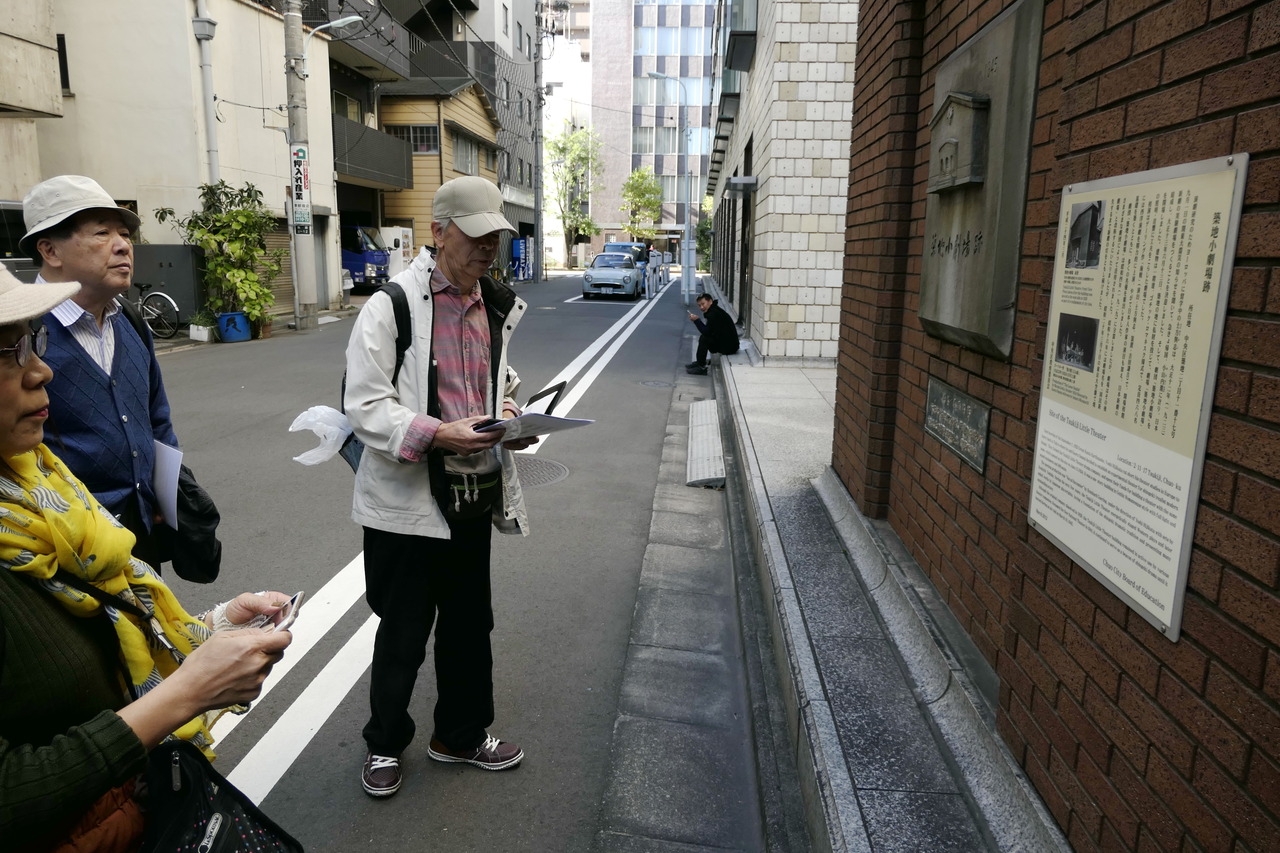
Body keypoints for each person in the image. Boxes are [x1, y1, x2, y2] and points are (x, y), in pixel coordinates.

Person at [0, 263, 293, 851]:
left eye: (35, 341)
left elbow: (99, 643)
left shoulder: (39, 482)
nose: (42, 371)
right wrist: (185, 694)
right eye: (10, 352)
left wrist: (206, 632)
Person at [344, 176, 540, 799]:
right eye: (476, 236)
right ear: (438, 232)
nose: (488, 250)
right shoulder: (392, 306)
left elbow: (498, 380)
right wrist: (436, 434)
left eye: (496, 238)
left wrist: (510, 415)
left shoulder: (493, 303)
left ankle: (459, 734)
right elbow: (364, 404)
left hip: (471, 493)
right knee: (403, 629)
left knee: (468, 623)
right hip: (409, 499)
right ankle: (383, 745)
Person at [19, 175, 178, 569]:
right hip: (62, 547)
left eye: (124, 234)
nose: (123, 245)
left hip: (138, 532)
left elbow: (156, 416)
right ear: (50, 250)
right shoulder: (19, 332)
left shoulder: (132, 321)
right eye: (102, 233)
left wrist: (162, 495)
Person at [685, 292, 740, 374]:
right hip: (729, 343)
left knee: (704, 339)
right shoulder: (714, 310)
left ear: (710, 301)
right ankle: (700, 362)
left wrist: (697, 321)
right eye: (699, 305)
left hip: (729, 347)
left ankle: (701, 367)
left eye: (703, 304)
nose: (702, 307)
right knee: (704, 338)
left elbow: (706, 332)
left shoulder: (713, 314)